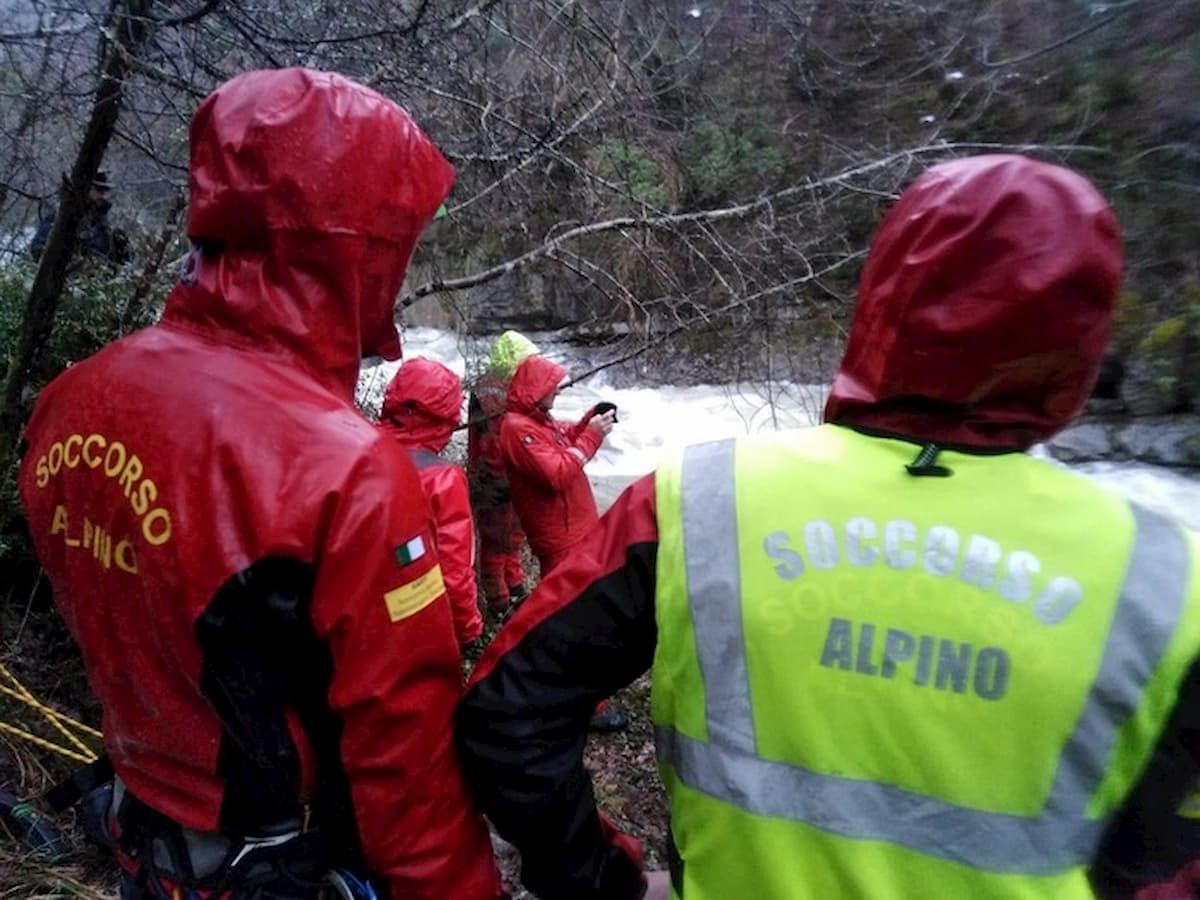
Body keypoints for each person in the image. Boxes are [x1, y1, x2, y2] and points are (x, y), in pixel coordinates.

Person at [456, 154, 1200, 900]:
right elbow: (1167, 861)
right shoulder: (1168, 579)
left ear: (883, 302)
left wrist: (598, 883)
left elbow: (507, 717)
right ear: (1079, 347)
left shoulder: (698, 500)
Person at [18, 68, 504, 899]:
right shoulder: (344, 467)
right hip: (278, 861)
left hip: (147, 833)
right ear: (359, 246)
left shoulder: (73, 399)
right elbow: (408, 771)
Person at [379, 357, 483, 648]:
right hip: (412, 623)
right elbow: (454, 570)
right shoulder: (443, 479)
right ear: (448, 415)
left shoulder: (353, 450)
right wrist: (468, 630)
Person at [498, 355, 615, 576]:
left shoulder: (538, 419)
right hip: (562, 538)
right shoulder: (517, 428)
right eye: (552, 385)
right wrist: (592, 436)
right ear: (537, 389)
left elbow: (565, 438)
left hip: (576, 531)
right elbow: (556, 474)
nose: (558, 391)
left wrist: (589, 421)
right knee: (569, 603)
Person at [467, 330, 539, 610]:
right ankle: (500, 604)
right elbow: (494, 444)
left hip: (493, 476)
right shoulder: (501, 394)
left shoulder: (485, 387)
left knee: (508, 540)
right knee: (499, 544)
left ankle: (515, 589)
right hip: (499, 479)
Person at [29, 170, 129, 265]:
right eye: (99, 190)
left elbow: (105, 250)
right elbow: (38, 247)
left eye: (104, 191)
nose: (102, 195)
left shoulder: (100, 217)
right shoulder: (64, 214)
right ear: (87, 188)